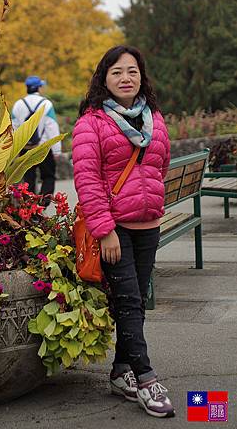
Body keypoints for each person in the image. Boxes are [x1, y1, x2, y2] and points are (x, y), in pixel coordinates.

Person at [72, 45, 175, 419]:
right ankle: (146, 379)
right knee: (130, 301)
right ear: (104, 78)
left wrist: (150, 206)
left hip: (148, 225)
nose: (125, 78)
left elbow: (159, 167)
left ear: (141, 77)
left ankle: (120, 372)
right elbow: (87, 180)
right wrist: (105, 230)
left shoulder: (154, 118)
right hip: (115, 230)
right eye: (117, 72)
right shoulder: (92, 123)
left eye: (132, 71)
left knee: (135, 301)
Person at [12, 75, 61, 205]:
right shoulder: (46, 104)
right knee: (48, 176)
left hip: (25, 148)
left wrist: (14, 150)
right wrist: (57, 150)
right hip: (44, 148)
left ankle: (30, 206)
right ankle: (43, 204)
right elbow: (52, 127)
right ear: (39, 87)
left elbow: (13, 128)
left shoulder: (18, 104)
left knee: (28, 178)